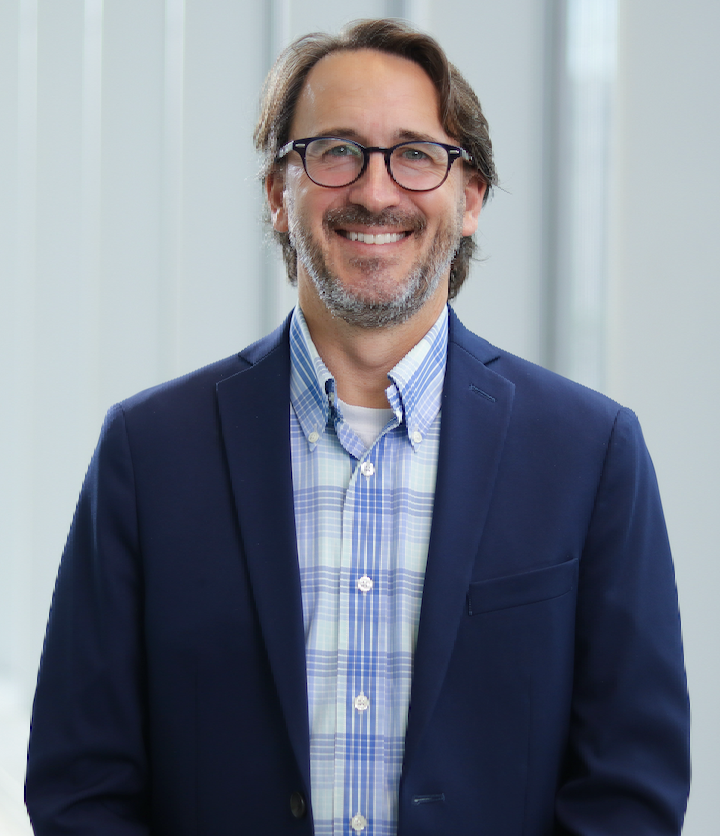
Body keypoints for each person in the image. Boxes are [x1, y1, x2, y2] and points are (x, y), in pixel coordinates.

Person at [25, 18, 690, 836]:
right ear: (279, 194)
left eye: (416, 153)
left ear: (470, 198)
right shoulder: (149, 452)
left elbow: (631, 792)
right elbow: (80, 787)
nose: (376, 192)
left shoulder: (590, 454)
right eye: (336, 151)